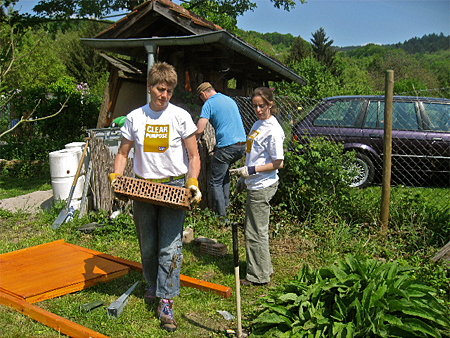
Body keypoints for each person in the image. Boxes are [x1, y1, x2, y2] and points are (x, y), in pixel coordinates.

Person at [108, 62, 201, 332]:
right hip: (143, 188)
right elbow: (123, 153)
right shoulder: (135, 117)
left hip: (173, 188)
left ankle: (167, 300)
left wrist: (192, 182)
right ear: (150, 88)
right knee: (147, 244)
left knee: (170, 247)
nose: (165, 95)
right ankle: (152, 284)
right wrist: (117, 177)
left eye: (170, 91)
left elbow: (194, 155)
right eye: (161, 89)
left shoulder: (181, 117)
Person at [230, 87, 284, 286]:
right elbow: (254, 153)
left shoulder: (273, 130)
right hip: (254, 183)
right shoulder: (258, 123)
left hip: (263, 185)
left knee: (255, 232)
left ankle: (258, 277)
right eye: (255, 106)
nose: (258, 109)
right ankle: (265, 269)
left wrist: (251, 171)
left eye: (262, 105)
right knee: (256, 229)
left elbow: (279, 162)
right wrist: (244, 177)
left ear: (270, 104)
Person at [195, 82, 246, 222]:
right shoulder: (228, 99)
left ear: (203, 94)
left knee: (215, 181)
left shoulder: (209, 104)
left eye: (201, 98)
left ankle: (221, 217)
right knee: (223, 175)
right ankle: (226, 206)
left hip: (227, 147)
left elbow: (199, 129)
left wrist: (190, 142)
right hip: (241, 146)